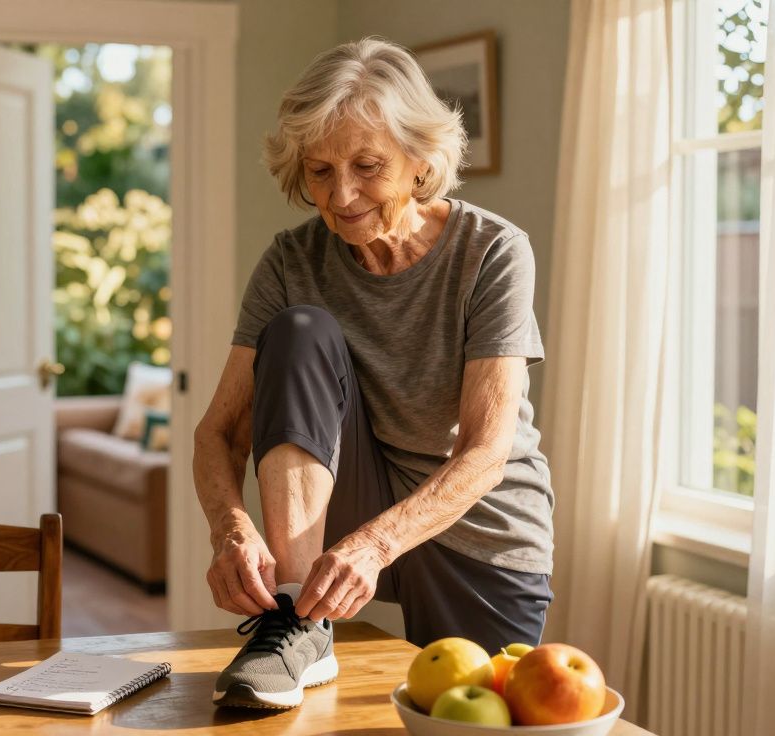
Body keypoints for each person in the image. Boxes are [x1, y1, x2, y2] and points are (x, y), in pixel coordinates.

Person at [194, 37, 555, 710]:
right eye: (321, 171)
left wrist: (376, 543)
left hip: (475, 523)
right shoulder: (291, 261)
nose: (342, 195)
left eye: (367, 165)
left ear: (421, 160)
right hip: (352, 495)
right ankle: (300, 624)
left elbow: (486, 450)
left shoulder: (494, 252)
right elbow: (216, 432)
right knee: (300, 330)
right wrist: (231, 530)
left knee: (481, 719)